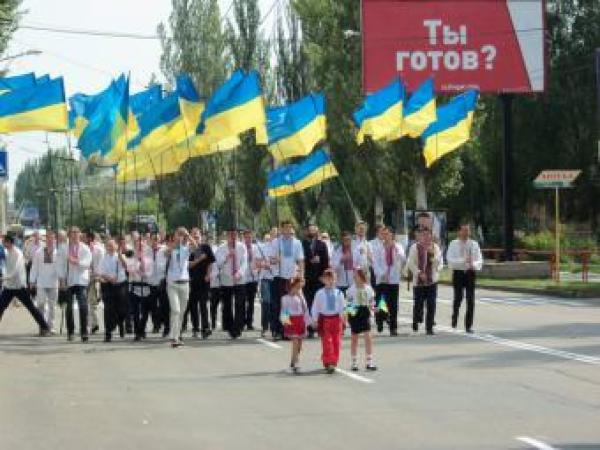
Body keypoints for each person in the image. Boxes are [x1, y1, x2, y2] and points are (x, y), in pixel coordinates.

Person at [0, 235, 50, 335]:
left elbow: (16, 270)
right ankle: (45, 327)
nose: (3, 244)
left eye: (4, 242)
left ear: (9, 242)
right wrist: (5, 279)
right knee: (0, 307)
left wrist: (4, 278)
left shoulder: (18, 253)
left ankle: (45, 327)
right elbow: (7, 268)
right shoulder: (7, 252)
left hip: (19, 286)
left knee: (31, 307)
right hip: (9, 286)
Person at [406, 215, 444, 335]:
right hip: (419, 281)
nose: (426, 237)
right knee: (418, 304)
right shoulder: (415, 247)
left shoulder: (435, 247)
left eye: (428, 235)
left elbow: (440, 262)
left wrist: (436, 262)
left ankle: (429, 327)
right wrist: (418, 273)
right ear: (421, 236)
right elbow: (410, 263)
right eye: (424, 235)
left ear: (431, 236)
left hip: (432, 280)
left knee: (431, 304)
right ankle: (416, 320)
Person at [270, 221, 305, 340]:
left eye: (290, 228)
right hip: (279, 277)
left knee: (288, 305)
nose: (288, 230)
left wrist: (301, 275)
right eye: (285, 228)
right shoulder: (276, 242)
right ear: (281, 229)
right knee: (278, 305)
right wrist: (276, 259)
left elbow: (300, 260)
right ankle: (277, 330)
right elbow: (271, 259)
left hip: (291, 277)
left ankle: (286, 329)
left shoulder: (297, 242)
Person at [447, 223, 484, 333]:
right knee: (458, 298)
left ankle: (468, 325)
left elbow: (480, 260)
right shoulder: (453, 244)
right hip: (458, 273)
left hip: (470, 273)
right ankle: (454, 317)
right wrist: (462, 261)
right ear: (459, 232)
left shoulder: (474, 244)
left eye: (467, 231)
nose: (465, 233)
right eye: (463, 230)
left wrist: (474, 264)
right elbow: (450, 260)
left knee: (470, 300)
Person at [165, 227, 197, 348]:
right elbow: (166, 253)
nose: (180, 237)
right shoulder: (171, 248)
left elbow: (196, 247)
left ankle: (176, 336)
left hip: (184, 283)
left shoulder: (186, 248)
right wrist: (176, 241)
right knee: (176, 310)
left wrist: (188, 235)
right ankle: (173, 337)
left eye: (181, 235)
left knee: (181, 312)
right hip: (172, 283)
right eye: (178, 235)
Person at [372, 226, 405, 336]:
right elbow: (375, 263)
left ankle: (393, 328)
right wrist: (381, 274)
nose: (385, 236)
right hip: (382, 280)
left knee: (393, 305)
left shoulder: (398, 246)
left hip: (393, 280)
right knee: (381, 303)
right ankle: (380, 320)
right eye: (384, 234)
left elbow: (403, 258)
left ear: (392, 235)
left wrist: (396, 249)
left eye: (387, 234)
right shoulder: (378, 248)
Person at [311, 269, 345, 374]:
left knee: (336, 341)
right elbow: (315, 307)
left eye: (332, 279)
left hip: (336, 319)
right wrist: (315, 320)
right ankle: (328, 361)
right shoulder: (319, 293)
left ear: (335, 280)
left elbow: (342, 307)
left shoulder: (339, 293)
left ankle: (333, 360)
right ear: (323, 280)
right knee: (327, 341)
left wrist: (343, 319)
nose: (330, 281)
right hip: (325, 319)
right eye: (328, 279)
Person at [215, 229, 248, 339]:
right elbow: (218, 264)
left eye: (235, 235)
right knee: (227, 305)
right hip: (227, 279)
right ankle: (229, 326)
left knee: (240, 303)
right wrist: (227, 256)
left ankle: (237, 327)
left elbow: (245, 262)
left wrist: (240, 273)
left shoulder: (241, 246)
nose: (233, 237)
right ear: (227, 236)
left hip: (239, 279)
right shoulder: (221, 248)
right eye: (230, 235)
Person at [63, 227, 92, 342]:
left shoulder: (85, 248)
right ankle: (70, 332)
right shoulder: (64, 248)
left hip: (81, 280)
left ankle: (84, 331)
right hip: (69, 280)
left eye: (76, 233)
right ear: (69, 235)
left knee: (83, 306)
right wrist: (61, 278)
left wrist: (76, 261)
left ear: (80, 234)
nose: (74, 235)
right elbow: (60, 264)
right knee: (69, 307)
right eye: (72, 233)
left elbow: (87, 263)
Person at [346, 268, 377, 371]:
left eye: (357, 275)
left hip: (365, 312)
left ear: (362, 276)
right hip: (355, 312)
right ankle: (354, 362)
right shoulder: (351, 290)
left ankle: (369, 361)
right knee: (354, 337)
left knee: (368, 337)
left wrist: (373, 308)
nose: (354, 277)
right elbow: (349, 304)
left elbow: (372, 302)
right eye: (354, 275)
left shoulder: (369, 289)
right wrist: (349, 316)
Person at [30, 230, 61, 334]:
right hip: (41, 282)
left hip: (53, 282)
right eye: (48, 238)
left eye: (52, 238)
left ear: (55, 239)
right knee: (41, 304)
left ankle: (51, 326)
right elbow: (34, 267)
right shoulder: (39, 252)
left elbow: (61, 268)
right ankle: (42, 326)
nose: (50, 240)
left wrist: (62, 280)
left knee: (52, 305)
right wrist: (32, 281)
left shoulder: (58, 252)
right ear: (45, 239)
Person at [187, 228, 216, 339]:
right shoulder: (188, 249)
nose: (196, 238)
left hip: (204, 281)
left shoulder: (205, 247)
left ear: (201, 236)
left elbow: (210, 262)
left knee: (203, 305)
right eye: (193, 236)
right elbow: (188, 265)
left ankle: (205, 328)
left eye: (197, 236)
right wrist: (199, 258)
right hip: (191, 281)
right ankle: (195, 328)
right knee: (193, 306)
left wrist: (208, 274)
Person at [302, 224, 329, 338]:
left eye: (314, 230)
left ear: (317, 231)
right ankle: (310, 328)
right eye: (310, 230)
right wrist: (310, 260)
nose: (312, 232)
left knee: (319, 303)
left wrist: (324, 277)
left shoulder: (322, 245)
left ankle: (320, 327)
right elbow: (300, 259)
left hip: (319, 278)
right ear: (307, 232)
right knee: (308, 303)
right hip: (307, 278)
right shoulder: (302, 244)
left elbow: (326, 262)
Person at [98, 239, 129, 342]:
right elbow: (101, 273)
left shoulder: (120, 256)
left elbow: (127, 267)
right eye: (108, 246)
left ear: (116, 246)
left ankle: (120, 323)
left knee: (122, 309)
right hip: (108, 285)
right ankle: (108, 333)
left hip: (121, 284)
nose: (110, 248)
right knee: (108, 309)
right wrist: (110, 279)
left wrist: (121, 257)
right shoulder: (103, 259)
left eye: (112, 245)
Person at [280, 277, 310, 373]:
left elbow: (305, 309)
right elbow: (284, 311)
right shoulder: (285, 298)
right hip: (292, 321)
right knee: (295, 341)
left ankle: (293, 363)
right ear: (290, 287)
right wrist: (285, 322)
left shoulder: (300, 297)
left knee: (299, 344)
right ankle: (296, 363)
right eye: (296, 287)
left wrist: (307, 322)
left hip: (300, 321)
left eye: (299, 287)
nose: (298, 290)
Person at [128, 236, 153, 341]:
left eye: (142, 243)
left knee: (145, 311)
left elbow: (149, 273)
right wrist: (138, 265)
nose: (140, 245)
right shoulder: (132, 258)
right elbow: (130, 270)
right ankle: (137, 332)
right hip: (135, 286)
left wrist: (143, 265)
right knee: (136, 311)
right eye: (138, 243)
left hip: (146, 286)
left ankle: (142, 328)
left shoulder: (149, 259)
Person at [147, 233, 169, 337]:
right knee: (152, 305)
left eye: (157, 239)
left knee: (164, 305)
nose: (155, 241)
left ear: (160, 240)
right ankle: (156, 324)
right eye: (153, 239)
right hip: (151, 281)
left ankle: (166, 326)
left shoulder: (164, 249)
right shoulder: (147, 250)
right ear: (150, 240)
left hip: (162, 280)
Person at [86, 232, 105, 335]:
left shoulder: (98, 249)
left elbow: (100, 265)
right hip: (84, 279)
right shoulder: (84, 248)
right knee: (86, 303)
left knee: (92, 302)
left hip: (95, 278)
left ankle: (94, 324)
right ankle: (89, 324)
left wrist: (97, 276)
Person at [256, 233, 274, 338]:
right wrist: (264, 265)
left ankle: (284, 326)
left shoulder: (283, 247)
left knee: (284, 305)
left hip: (282, 279)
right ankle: (265, 327)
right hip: (266, 279)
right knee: (266, 304)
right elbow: (257, 263)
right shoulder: (263, 248)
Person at [242, 229, 259, 331]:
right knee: (242, 301)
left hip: (253, 278)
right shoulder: (241, 247)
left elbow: (258, 260)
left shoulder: (256, 248)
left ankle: (249, 322)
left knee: (251, 301)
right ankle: (242, 321)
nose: (248, 239)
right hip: (243, 279)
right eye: (247, 237)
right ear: (244, 237)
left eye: (250, 237)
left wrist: (257, 269)